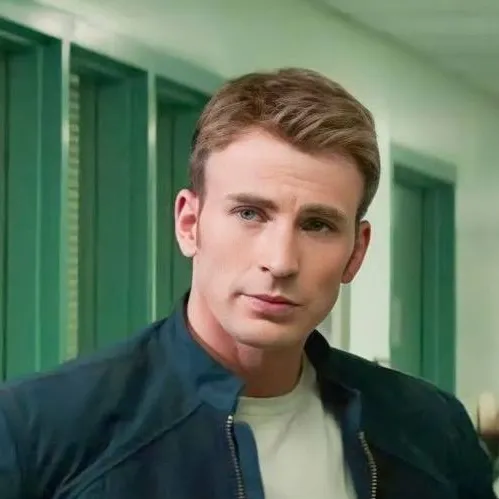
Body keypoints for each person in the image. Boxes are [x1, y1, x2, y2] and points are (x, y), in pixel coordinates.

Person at [0, 68, 495, 499]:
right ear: (189, 224)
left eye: (317, 225)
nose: (280, 262)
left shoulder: (431, 430)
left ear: (356, 251)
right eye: (249, 213)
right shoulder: (37, 428)